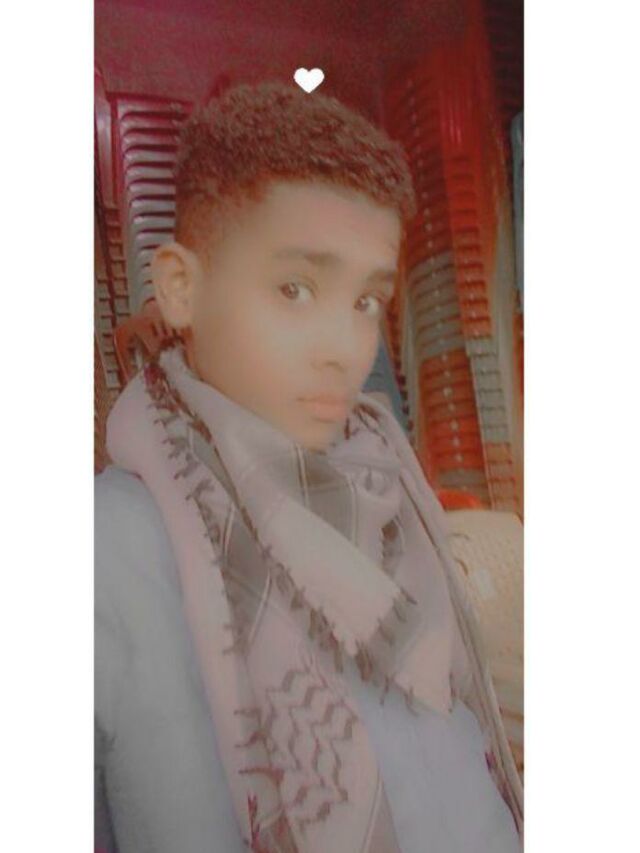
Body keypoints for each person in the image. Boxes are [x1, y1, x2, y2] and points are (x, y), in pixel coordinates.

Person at [95, 80, 523, 853]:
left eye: (366, 302)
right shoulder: (107, 548)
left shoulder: (390, 482)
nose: (345, 350)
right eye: (295, 289)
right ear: (181, 288)